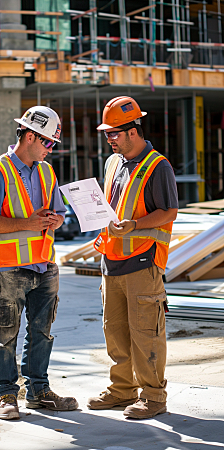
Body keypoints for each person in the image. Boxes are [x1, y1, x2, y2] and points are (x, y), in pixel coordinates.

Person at [0, 106, 78, 420]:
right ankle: (7, 395)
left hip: (44, 266)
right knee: (6, 335)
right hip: (9, 268)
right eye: (48, 143)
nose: (50, 149)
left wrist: (54, 220)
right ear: (30, 136)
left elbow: (58, 214)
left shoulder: (47, 171)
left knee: (42, 333)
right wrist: (28, 224)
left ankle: (38, 391)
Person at [87, 96, 178, 419]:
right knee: (116, 332)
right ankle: (122, 390)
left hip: (142, 263)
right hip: (111, 262)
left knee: (146, 334)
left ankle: (153, 397)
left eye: (114, 133)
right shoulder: (114, 162)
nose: (109, 139)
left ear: (133, 131)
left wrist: (135, 225)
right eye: (107, 134)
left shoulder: (158, 166)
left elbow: (169, 211)